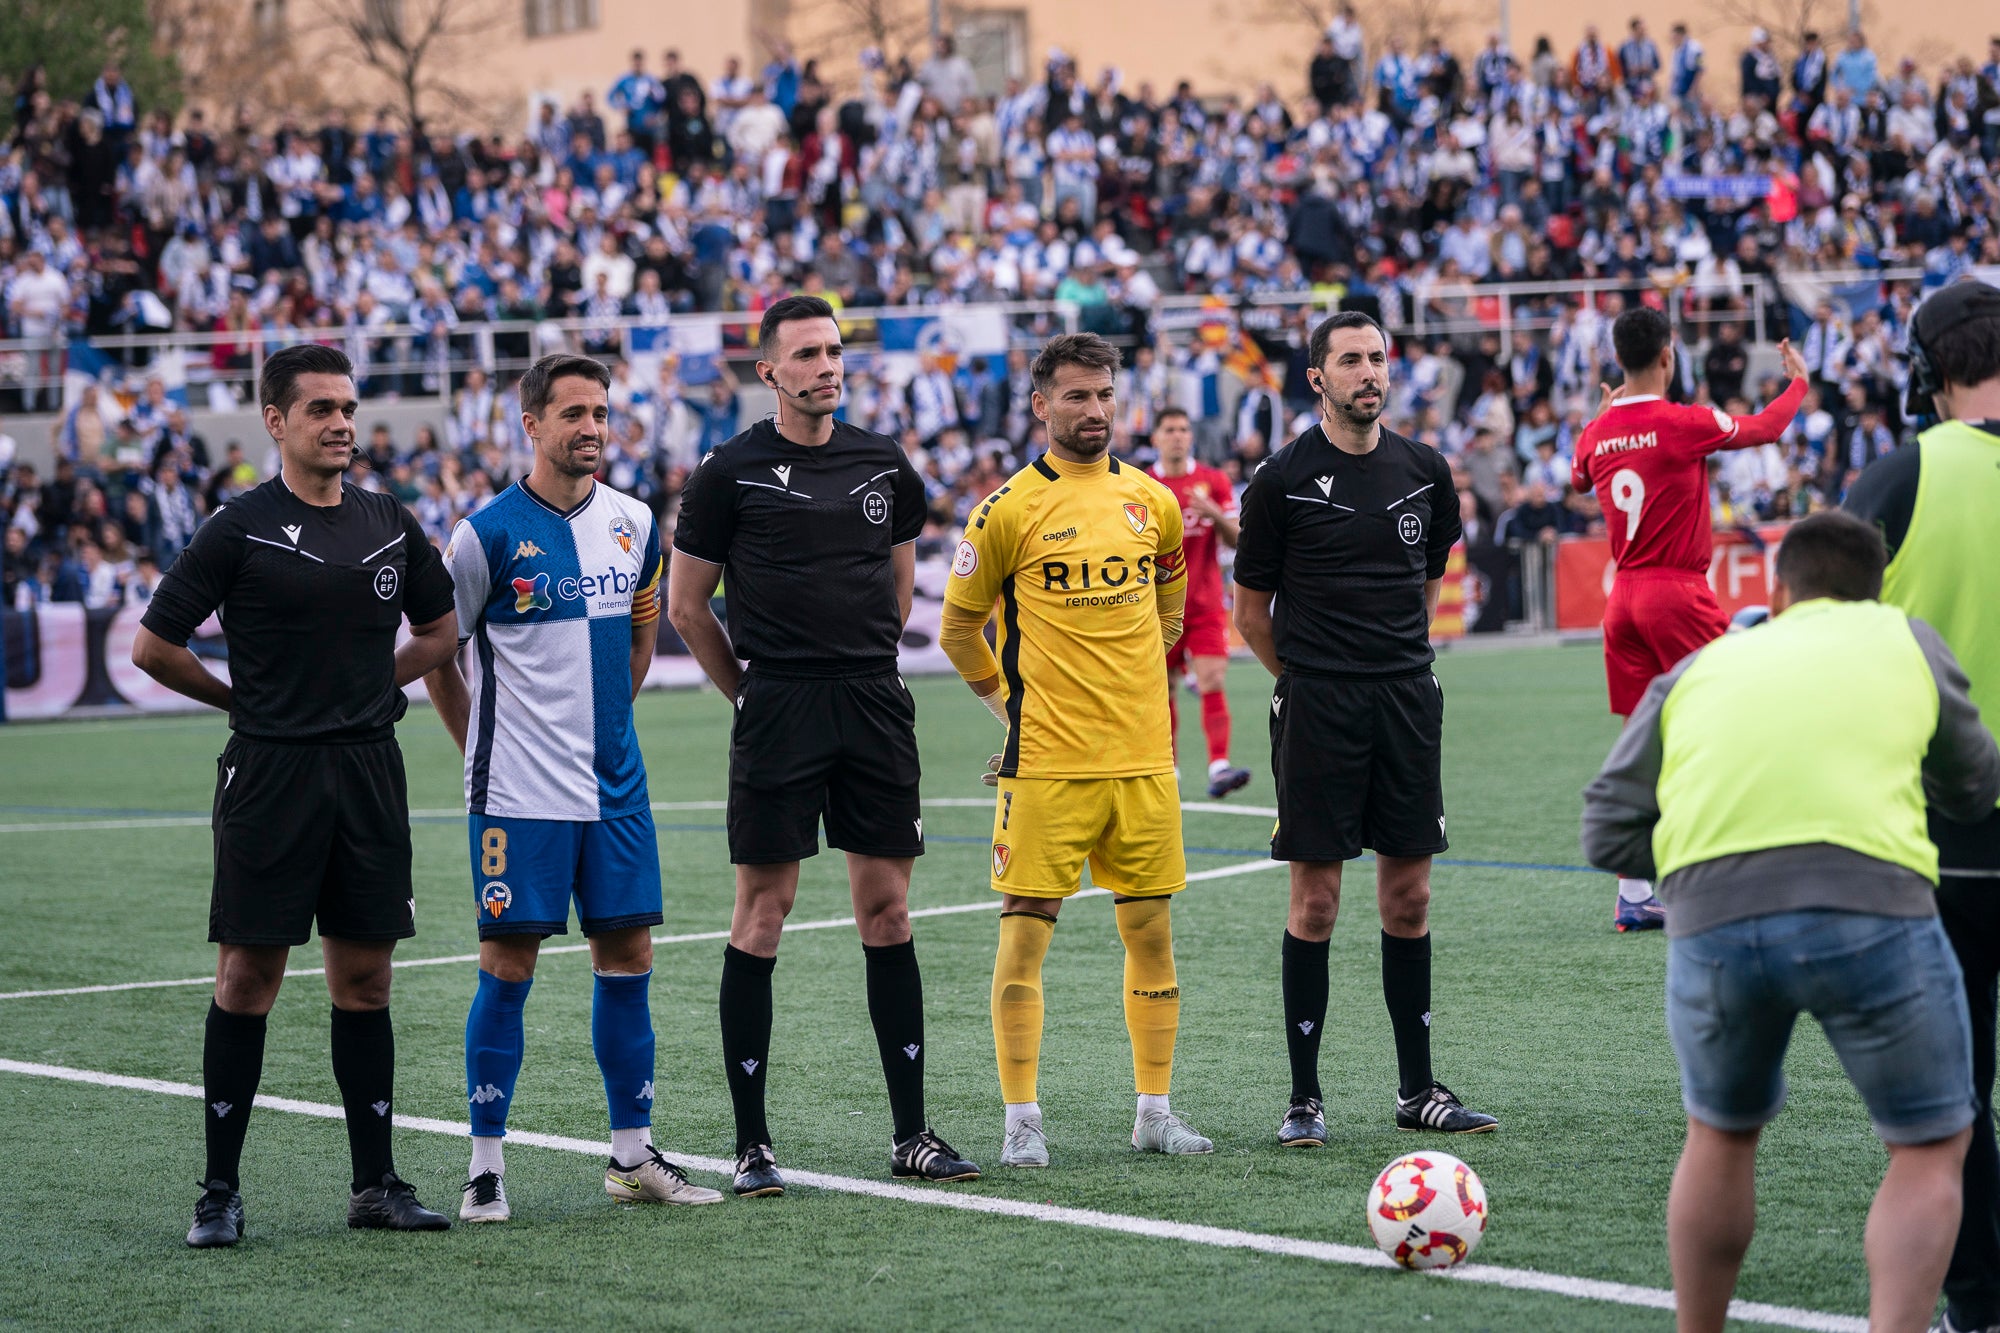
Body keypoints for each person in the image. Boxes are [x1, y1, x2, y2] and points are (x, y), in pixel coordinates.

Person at [1581, 510, 1999, 1333]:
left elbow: (1605, 830)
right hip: (1873, 907)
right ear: (1877, 591)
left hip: (1716, 916)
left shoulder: (1703, 664)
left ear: (1776, 593)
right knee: (1928, 1146)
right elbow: (1974, 785)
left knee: (1720, 1135)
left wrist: (1697, 864)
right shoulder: (1906, 639)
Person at [129, 344, 460, 1247]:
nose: (342, 422)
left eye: (348, 406)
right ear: (275, 421)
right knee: (248, 977)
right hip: (270, 773)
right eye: (321, 408)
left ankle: (375, 1184)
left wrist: (375, 684)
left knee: (367, 978)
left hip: (368, 771)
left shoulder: (389, 520)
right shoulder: (237, 527)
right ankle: (218, 1193)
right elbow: (154, 647)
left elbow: (441, 629)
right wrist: (239, 701)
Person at [667, 295, 978, 1196]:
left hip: (873, 699)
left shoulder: (883, 461)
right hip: (780, 703)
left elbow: (899, 577)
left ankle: (911, 1133)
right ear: (769, 371)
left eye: (834, 351)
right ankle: (752, 1145)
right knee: (762, 911)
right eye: (806, 354)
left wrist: (863, 654)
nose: (826, 366)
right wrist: (750, 695)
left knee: (888, 910)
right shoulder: (729, 471)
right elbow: (687, 606)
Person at [422, 353, 720, 1223]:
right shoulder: (482, 535)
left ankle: (632, 1156)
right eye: (574, 414)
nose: (592, 428)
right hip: (518, 795)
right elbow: (440, 654)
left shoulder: (635, 523)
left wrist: (607, 728)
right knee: (507, 966)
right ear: (532, 425)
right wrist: (481, 750)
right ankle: (484, 1166)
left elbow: (640, 637)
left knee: (628, 960)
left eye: (601, 412)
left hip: (616, 789)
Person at [938, 331, 1212, 1168]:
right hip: (1048, 765)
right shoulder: (1006, 509)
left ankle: (1155, 1111)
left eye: (1104, 395)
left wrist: (1132, 676)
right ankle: (1021, 1120)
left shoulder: (1152, 500)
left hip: (1144, 760)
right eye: (1076, 396)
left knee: (1153, 937)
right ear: (1041, 405)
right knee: (1024, 939)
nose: (1095, 410)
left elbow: (1171, 607)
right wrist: (1012, 711)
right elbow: (958, 630)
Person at [1232, 312, 1497, 1149]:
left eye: (1378, 357)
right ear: (1318, 378)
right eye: (1351, 359)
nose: (1369, 372)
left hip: (1406, 698)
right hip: (1318, 703)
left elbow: (1426, 584)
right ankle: (1304, 1097)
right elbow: (1251, 615)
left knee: (1409, 897)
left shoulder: (1425, 470)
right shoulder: (1280, 480)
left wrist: (1391, 660)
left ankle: (1418, 1089)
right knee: (1315, 902)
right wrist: (1307, 681)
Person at [1842, 278, 2000, 1333]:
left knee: (1953, 1099)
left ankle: (1979, 1302)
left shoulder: (1899, 477)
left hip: (1938, 839)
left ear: (1927, 371)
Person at [1569, 307, 1807, 931]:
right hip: (1675, 592)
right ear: (1667, 357)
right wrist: (1800, 384)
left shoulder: (1597, 433)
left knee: (1642, 743)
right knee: (1739, 714)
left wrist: (1599, 416)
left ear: (1618, 361)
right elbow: (1766, 428)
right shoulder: (1683, 422)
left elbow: (1577, 477)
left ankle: (1633, 892)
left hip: (1621, 601)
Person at [1146, 405, 1251, 798]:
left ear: (1191, 437)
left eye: (1183, 429)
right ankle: (1167, 769)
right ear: (1156, 438)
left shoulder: (1212, 481)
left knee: (1212, 679)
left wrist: (1213, 514)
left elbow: (1238, 540)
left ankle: (1219, 765)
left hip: (1205, 604)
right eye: (1170, 429)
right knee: (1162, 689)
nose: (1177, 436)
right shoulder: (1142, 485)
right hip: (1157, 608)